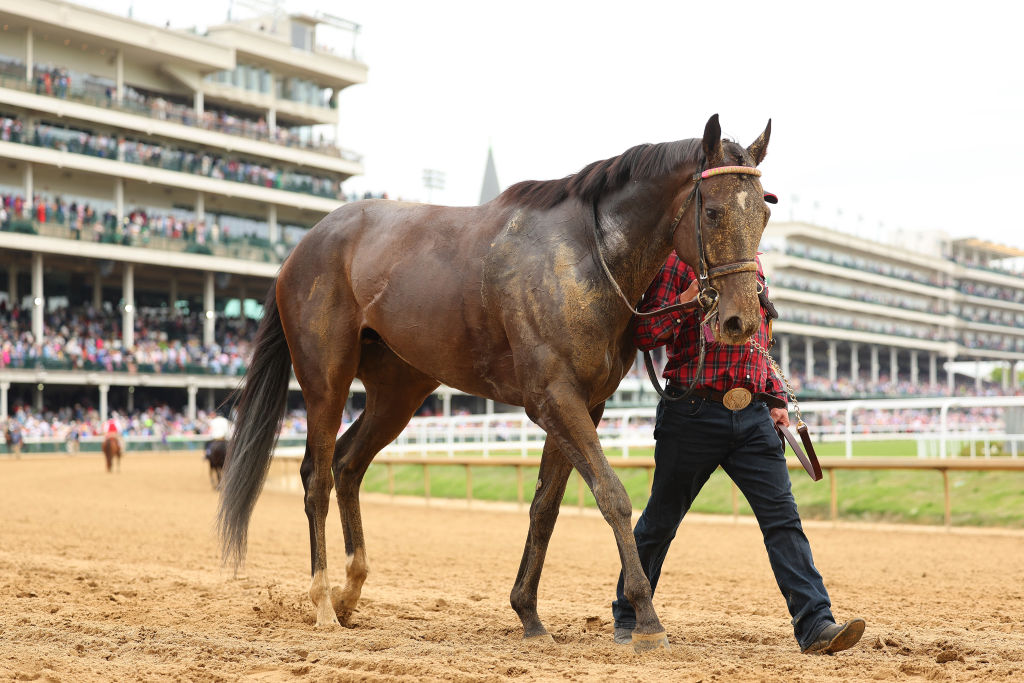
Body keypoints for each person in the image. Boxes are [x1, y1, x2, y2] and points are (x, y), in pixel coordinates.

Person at [611, 251, 865, 655]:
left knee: (784, 520)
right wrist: (686, 302)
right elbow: (644, 335)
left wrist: (777, 396)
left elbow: (759, 344)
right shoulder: (678, 262)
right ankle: (629, 613)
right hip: (691, 412)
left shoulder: (755, 268)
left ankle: (816, 624)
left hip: (754, 415)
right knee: (661, 521)